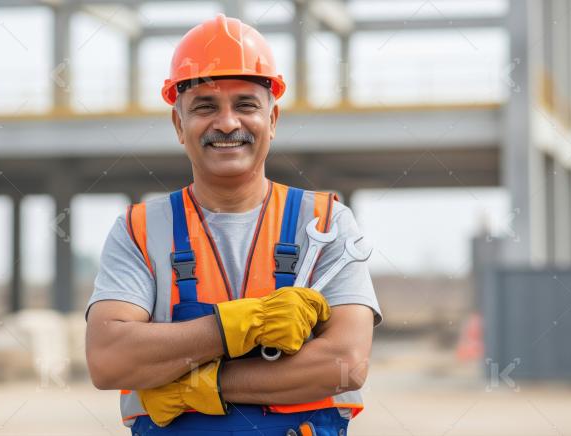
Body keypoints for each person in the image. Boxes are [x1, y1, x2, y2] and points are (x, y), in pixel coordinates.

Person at [85, 14, 383, 435]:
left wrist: (201, 384)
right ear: (178, 124)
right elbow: (110, 359)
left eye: (246, 105)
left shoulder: (326, 221)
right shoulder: (140, 229)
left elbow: (345, 365)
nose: (227, 123)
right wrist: (238, 325)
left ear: (273, 120)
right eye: (205, 107)